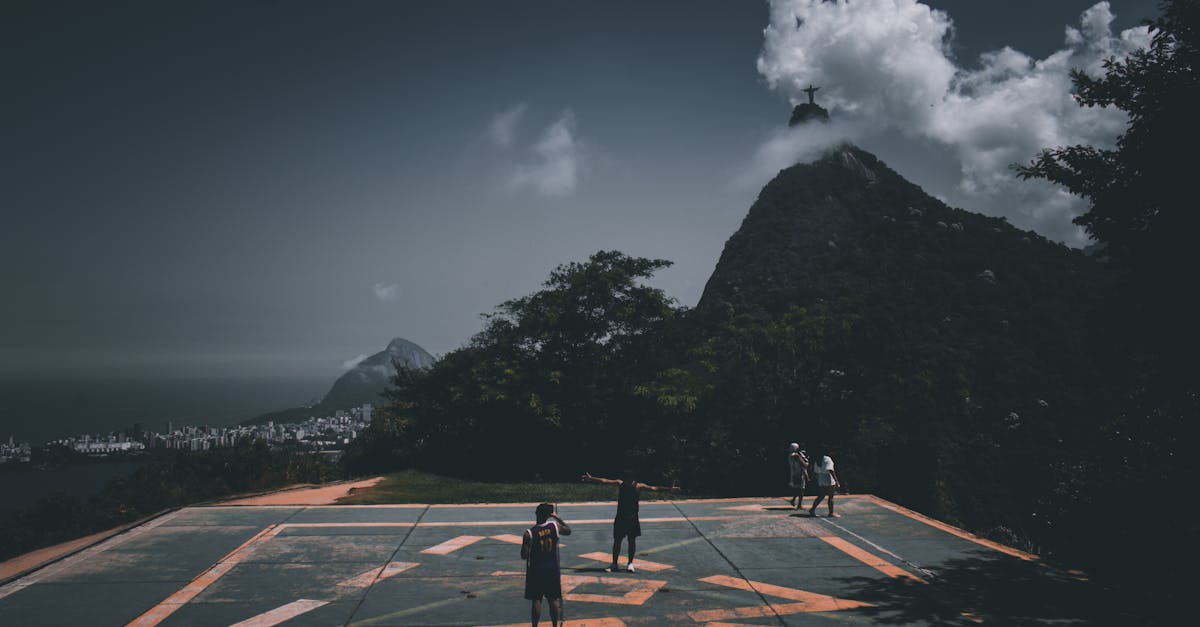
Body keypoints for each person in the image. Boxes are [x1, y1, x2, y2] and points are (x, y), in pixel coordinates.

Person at [581, 470, 680, 572]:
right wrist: (592, 479)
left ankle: (630, 563)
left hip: (632, 518)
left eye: (629, 478)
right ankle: (614, 564)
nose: (627, 480)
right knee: (617, 541)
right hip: (621, 517)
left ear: (633, 479)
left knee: (631, 541)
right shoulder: (620, 484)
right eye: (626, 478)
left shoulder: (638, 486)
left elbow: (654, 488)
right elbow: (605, 481)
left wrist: (669, 489)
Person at [521, 503, 571, 627]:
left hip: (536, 570)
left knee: (537, 600)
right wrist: (557, 518)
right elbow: (568, 530)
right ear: (549, 516)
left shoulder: (529, 533)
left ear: (536, 513)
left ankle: (535, 625)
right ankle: (554, 625)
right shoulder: (555, 526)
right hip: (552, 569)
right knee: (553, 599)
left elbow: (524, 555)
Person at [809, 451, 840, 517]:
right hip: (827, 477)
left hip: (821, 477)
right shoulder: (827, 459)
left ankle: (812, 509)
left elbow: (815, 472)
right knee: (831, 496)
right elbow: (830, 470)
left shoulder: (817, 460)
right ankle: (831, 513)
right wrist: (836, 481)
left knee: (821, 495)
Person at [787, 442, 810, 510]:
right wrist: (807, 461)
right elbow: (804, 465)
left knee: (798, 489)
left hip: (794, 474)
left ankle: (794, 500)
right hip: (799, 474)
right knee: (801, 489)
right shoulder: (796, 455)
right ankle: (799, 504)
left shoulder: (790, 455)